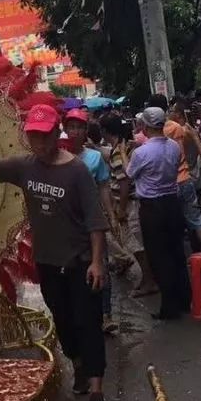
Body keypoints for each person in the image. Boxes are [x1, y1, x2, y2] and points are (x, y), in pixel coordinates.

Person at [0, 105, 114, 401]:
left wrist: (98, 263)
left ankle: (97, 391)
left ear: (57, 134)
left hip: (81, 263)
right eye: (33, 137)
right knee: (64, 322)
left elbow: (95, 222)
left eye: (44, 136)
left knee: (89, 325)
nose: (39, 143)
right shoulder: (24, 167)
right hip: (48, 263)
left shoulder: (77, 171)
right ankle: (79, 366)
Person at [127, 107, 191, 321]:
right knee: (176, 252)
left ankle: (169, 306)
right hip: (172, 202)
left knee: (159, 257)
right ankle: (184, 299)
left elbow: (130, 174)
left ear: (144, 126)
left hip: (152, 208)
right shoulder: (173, 146)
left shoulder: (141, 152)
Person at [64, 109, 120, 336]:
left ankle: (105, 315)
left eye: (79, 127)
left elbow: (104, 187)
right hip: (67, 222)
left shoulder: (95, 158)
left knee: (101, 266)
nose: (75, 131)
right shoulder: (58, 155)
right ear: (65, 130)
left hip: (93, 220)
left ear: (86, 131)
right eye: (71, 127)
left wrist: (111, 215)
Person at [102, 115, 158, 298]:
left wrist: (120, 209)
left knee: (137, 246)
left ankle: (149, 281)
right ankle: (148, 279)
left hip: (129, 205)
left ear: (105, 131)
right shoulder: (124, 147)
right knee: (138, 245)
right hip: (133, 202)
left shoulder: (119, 152)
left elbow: (124, 182)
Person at [151, 96, 201, 251]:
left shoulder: (154, 132)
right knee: (197, 219)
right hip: (185, 177)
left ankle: (180, 260)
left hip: (166, 184)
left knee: (172, 225)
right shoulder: (177, 127)